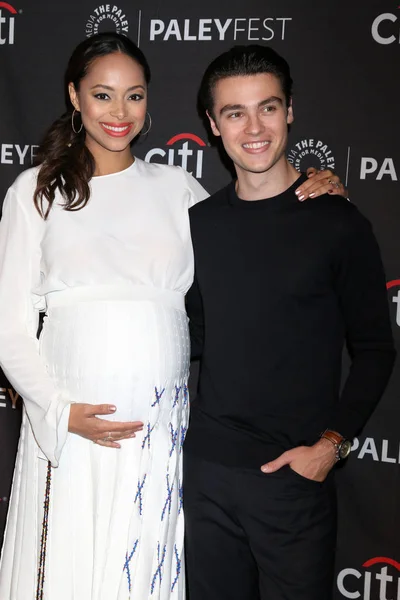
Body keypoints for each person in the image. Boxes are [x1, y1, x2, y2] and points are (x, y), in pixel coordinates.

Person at [0, 32, 346, 600]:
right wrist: (61, 413)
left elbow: (256, 248)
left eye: (133, 96)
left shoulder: (178, 191)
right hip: (75, 432)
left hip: (162, 435)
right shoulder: (34, 192)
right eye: (103, 95)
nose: (119, 112)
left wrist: (321, 193)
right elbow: (10, 327)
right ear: (74, 96)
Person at [184, 44, 396, 600]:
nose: (254, 127)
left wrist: (331, 445)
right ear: (213, 124)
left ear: (290, 111)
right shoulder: (197, 224)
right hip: (205, 477)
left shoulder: (338, 223)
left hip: (293, 482)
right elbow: (190, 335)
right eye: (234, 112)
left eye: (267, 108)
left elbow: (376, 348)